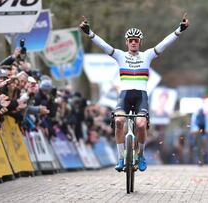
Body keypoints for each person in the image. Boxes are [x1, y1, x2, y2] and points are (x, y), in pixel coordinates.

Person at [80, 13, 189, 172]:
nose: (133, 43)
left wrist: (179, 30)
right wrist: (89, 33)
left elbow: (164, 43)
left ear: (140, 42)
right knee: (118, 121)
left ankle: (141, 155)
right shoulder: (120, 55)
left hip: (141, 97)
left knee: (141, 124)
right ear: (126, 42)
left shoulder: (147, 55)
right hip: (124, 95)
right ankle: (120, 158)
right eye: (130, 40)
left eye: (136, 41)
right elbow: (104, 46)